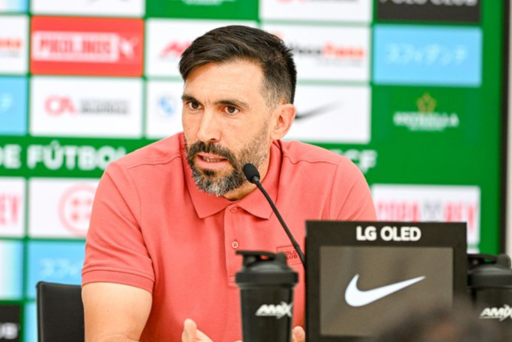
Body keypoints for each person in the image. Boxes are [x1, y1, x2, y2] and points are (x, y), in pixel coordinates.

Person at [81, 25, 376, 342]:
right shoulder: (130, 183)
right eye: (194, 105)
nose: (205, 132)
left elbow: (361, 330)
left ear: (280, 122)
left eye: (230, 109)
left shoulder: (335, 183)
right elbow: (110, 336)